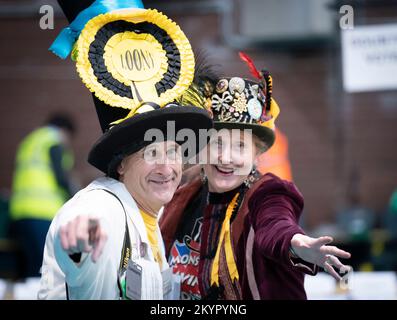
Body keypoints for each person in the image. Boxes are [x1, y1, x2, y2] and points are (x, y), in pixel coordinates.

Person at [38, 0, 212, 299]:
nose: (166, 167)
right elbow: (88, 232)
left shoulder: (150, 216)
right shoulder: (102, 207)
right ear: (120, 164)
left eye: (172, 152)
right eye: (150, 153)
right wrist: (81, 243)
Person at [160, 53, 351, 300]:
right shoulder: (185, 193)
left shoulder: (269, 192)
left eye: (240, 146)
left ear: (256, 153)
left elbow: (275, 223)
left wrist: (293, 242)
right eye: (217, 144)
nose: (226, 158)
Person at [9, 113, 76, 278]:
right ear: (64, 131)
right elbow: (61, 178)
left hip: (18, 214)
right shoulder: (53, 140)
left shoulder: (30, 142)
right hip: (42, 214)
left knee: (28, 270)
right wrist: (77, 200)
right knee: (44, 269)